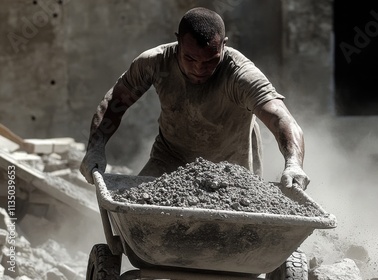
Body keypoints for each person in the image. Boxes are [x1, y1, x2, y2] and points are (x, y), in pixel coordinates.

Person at [80, 7, 310, 190]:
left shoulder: (241, 75)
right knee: (137, 215)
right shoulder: (155, 62)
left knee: (234, 239)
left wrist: (293, 163)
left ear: (224, 45)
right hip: (169, 158)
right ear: (178, 42)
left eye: (210, 60)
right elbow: (115, 102)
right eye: (190, 58)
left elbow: (281, 117)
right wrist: (95, 148)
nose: (199, 68)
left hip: (233, 169)